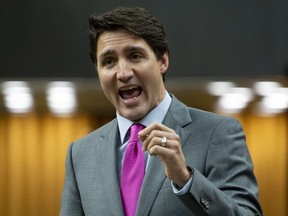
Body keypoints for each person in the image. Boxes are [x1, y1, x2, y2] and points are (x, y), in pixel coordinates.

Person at [60, 7, 262, 216]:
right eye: (109, 61)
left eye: (135, 56)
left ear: (162, 61)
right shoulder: (80, 154)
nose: (123, 73)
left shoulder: (218, 133)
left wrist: (186, 179)